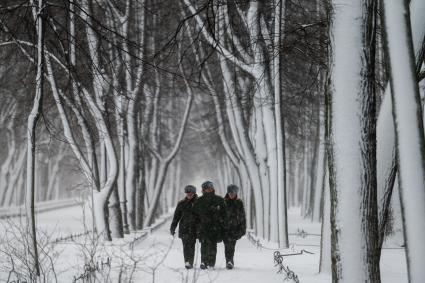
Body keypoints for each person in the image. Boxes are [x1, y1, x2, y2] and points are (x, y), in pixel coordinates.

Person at [194, 181, 225, 269]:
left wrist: (222, 224)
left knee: (213, 245)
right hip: (203, 227)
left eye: (210, 187)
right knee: (204, 245)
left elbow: (224, 214)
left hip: (215, 227)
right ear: (204, 189)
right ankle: (203, 262)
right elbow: (195, 215)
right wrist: (197, 226)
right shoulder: (199, 201)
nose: (209, 189)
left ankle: (211, 262)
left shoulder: (219, 200)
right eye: (207, 188)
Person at [170, 185, 198, 269]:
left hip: (194, 228)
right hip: (184, 228)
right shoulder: (181, 203)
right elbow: (176, 217)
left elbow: (202, 216)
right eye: (187, 192)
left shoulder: (198, 203)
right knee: (185, 246)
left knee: (192, 246)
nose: (189, 194)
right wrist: (173, 228)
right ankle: (187, 262)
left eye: (191, 192)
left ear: (194, 193)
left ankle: (190, 261)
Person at [223, 184, 246, 270]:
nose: (231, 194)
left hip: (235, 228)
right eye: (230, 193)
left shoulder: (239, 202)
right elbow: (219, 215)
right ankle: (228, 261)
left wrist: (242, 229)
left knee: (231, 245)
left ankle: (230, 261)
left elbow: (242, 216)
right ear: (228, 193)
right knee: (227, 246)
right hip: (225, 229)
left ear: (236, 193)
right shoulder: (223, 201)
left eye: (233, 193)